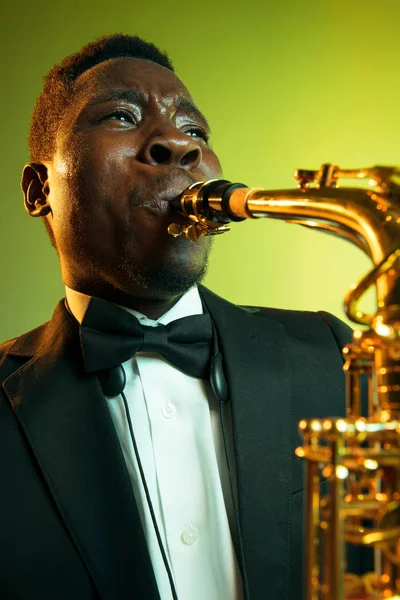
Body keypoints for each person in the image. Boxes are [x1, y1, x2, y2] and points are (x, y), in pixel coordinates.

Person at [0, 34, 359, 600]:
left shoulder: (335, 355)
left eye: (195, 131)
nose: (176, 144)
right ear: (40, 189)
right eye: (121, 116)